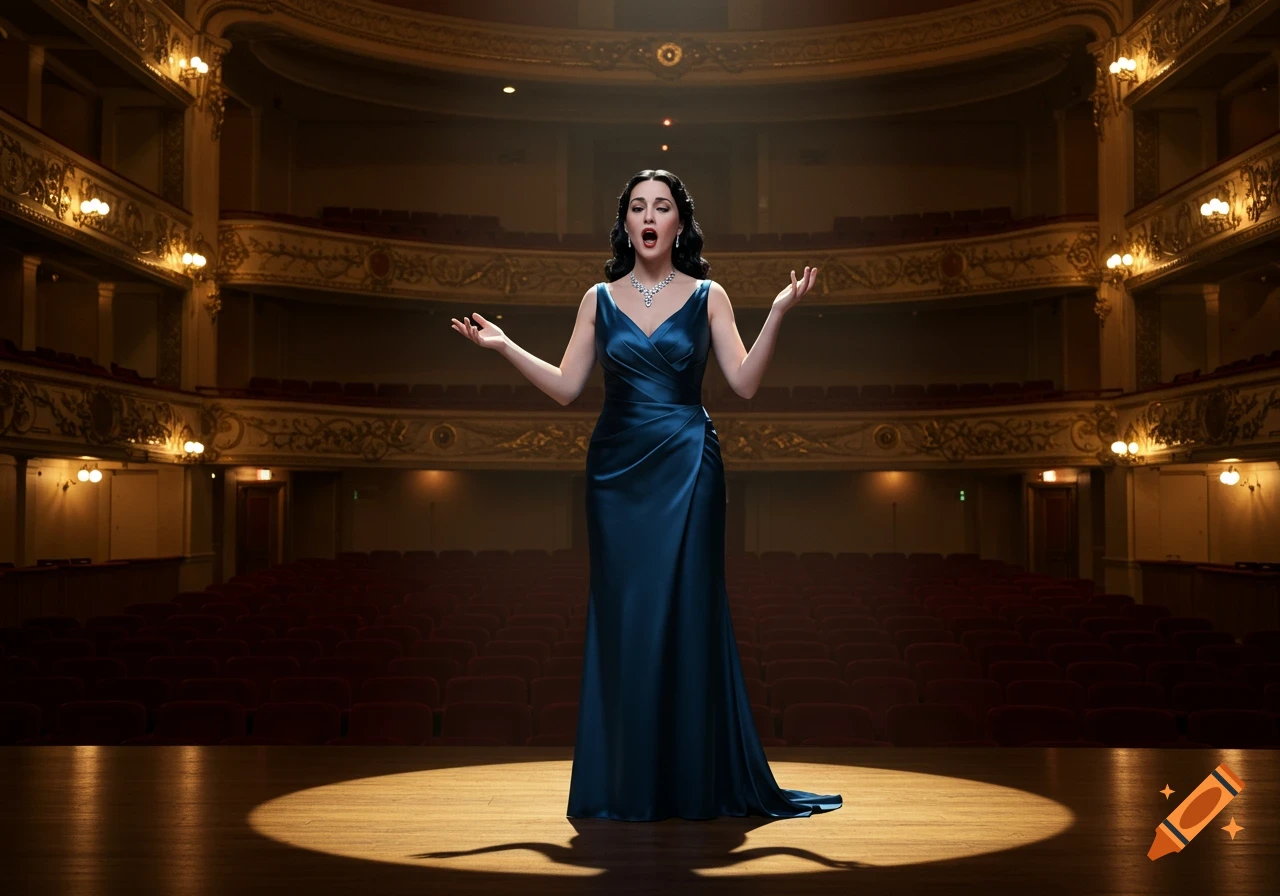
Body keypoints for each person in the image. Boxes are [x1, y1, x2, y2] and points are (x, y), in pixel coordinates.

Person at [451, 169, 841, 822]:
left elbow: (743, 384)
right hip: (616, 474)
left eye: (662, 206)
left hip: (690, 464)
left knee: (689, 613)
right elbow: (568, 387)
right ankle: (626, 783)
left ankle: (692, 782)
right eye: (638, 207)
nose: (650, 216)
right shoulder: (597, 299)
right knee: (625, 621)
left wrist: (777, 313)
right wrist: (503, 345)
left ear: (679, 224)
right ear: (626, 223)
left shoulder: (709, 295)